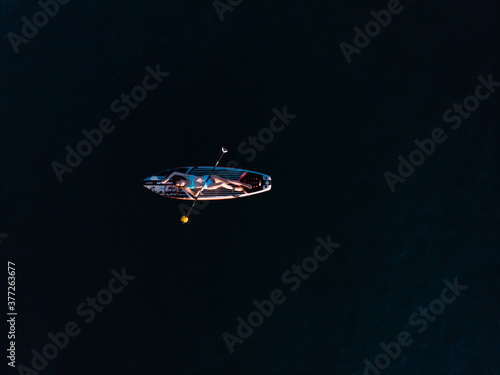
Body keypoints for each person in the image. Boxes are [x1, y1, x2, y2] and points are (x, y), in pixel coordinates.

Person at [162, 172, 251, 197]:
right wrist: (199, 192)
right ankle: (235, 189)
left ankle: (244, 184)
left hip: (208, 177)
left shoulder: (186, 176)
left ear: (181, 179)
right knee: (222, 183)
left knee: (227, 180)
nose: (180, 183)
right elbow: (194, 195)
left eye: (179, 181)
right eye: (179, 184)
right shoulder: (187, 188)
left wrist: (167, 179)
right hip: (207, 186)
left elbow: (174, 173)